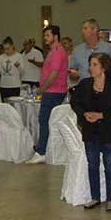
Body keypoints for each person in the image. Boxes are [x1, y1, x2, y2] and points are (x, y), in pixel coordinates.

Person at [71, 53, 111, 212]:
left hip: (109, 130)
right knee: (92, 164)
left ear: (103, 67)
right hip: (90, 131)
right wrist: (84, 114)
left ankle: (110, 199)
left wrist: (101, 115)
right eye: (90, 64)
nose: (91, 68)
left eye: (94, 64)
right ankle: (95, 197)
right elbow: (74, 102)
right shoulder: (85, 84)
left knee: (109, 165)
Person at [26, 26, 69, 164]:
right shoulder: (53, 51)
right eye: (45, 36)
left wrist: (42, 89)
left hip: (53, 91)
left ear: (55, 36)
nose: (45, 38)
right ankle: (43, 148)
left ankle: (42, 151)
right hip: (52, 91)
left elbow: (54, 74)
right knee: (45, 120)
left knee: (44, 120)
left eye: (48, 35)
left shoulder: (57, 51)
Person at [68, 18, 111, 83]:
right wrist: (74, 75)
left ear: (94, 30)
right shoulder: (77, 50)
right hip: (84, 86)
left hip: (105, 86)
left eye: (85, 28)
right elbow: (72, 73)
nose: (82, 31)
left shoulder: (109, 48)